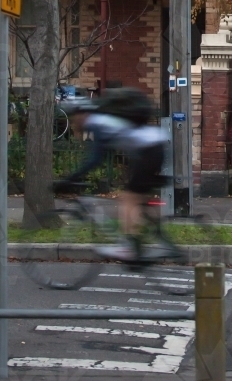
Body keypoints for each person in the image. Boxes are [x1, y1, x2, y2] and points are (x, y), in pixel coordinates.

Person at [58, 88, 168, 261]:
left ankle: (128, 248)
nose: (73, 122)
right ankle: (146, 240)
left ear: (82, 114)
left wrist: (71, 178)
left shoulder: (97, 123)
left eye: (74, 117)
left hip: (149, 150)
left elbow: (96, 158)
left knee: (128, 197)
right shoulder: (102, 121)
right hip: (150, 149)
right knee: (136, 198)